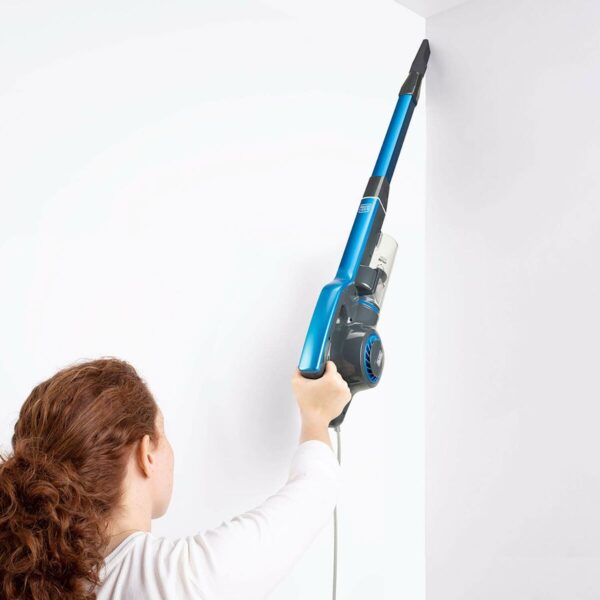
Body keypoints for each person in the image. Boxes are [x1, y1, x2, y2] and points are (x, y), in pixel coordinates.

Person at [0, 357, 351, 599]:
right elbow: (315, 490)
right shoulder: (177, 581)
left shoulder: (20, 579)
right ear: (146, 453)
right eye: (163, 433)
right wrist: (316, 416)